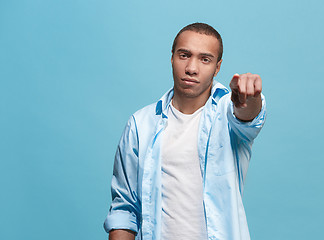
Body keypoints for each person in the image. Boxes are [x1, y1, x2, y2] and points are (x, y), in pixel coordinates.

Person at [104, 22, 266, 240]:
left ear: (217, 67)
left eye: (205, 59)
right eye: (184, 55)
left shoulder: (228, 113)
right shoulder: (140, 124)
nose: (191, 67)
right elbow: (124, 210)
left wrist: (250, 99)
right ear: (172, 57)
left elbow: (248, 117)